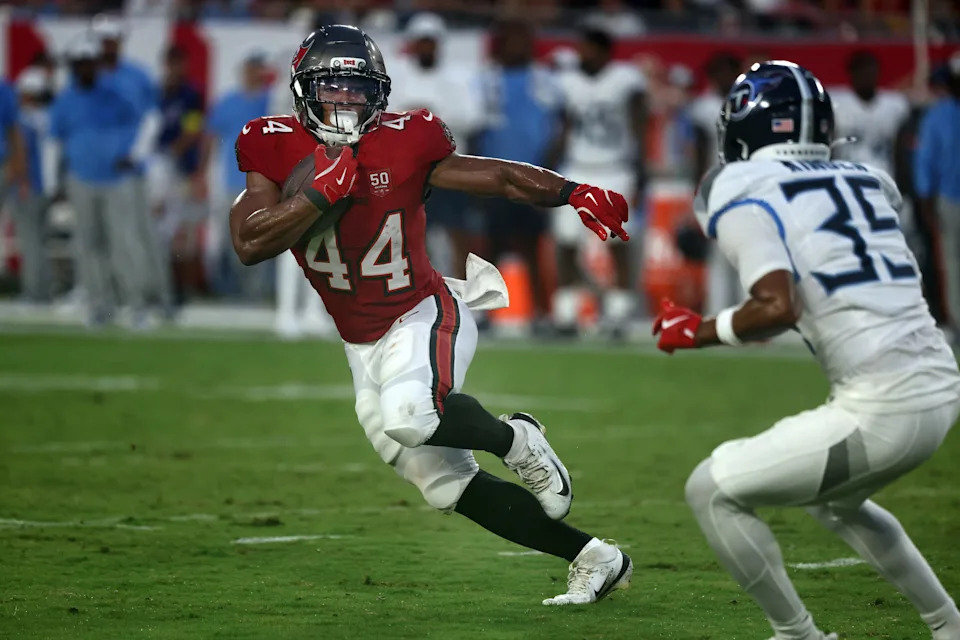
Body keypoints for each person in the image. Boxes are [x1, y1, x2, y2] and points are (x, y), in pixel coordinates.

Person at [231, 25, 632, 605]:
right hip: (361, 342)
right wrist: (318, 194)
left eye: (357, 89)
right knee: (443, 482)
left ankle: (517, 439)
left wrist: (571, 191)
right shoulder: (268, 142)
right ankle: (595, 557)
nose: (345, 101)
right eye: (332, 87)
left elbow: (496, 175)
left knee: (411, 415)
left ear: (378, 93)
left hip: (423, 311)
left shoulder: (407, 138)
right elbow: (249, 243)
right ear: (303, 90)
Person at [653, 61, 960, 640]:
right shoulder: (867, 178)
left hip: (884, 406)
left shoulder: (738, 183)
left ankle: (798, 635)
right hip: (941, 385)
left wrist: (695, 330)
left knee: (711, 490)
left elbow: (776, 307)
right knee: (836, 502)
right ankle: (948, 626)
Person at [550, 26, 646, 337]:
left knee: (617, 243)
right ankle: (567, 312)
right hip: (576, 167)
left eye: (588, 49)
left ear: (604, 51)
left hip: (615, 168)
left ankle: (619, 312)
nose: (582, 54)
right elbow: (564, 126)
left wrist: (641, 167)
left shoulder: (626, 80)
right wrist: (548, 166)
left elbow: (639, 122)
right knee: (566, 242)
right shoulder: (568, 81)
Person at [50, 36, 146, 328]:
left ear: (96, 64)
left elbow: (143, 122)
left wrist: (133, 154)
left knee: (123, 245)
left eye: (88, 63)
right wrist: (56, 182)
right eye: (79, 64)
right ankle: (99, 307)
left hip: (116, 179)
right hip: (81, 178)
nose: (84, 69)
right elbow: (56, 141)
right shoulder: (66, 99)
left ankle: (135, 305)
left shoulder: (116, 93)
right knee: (88, 245)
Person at [474, 20, 561, 330]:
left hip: (532, 176)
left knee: (533, 247)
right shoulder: (486, 80)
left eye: (523, 40)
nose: (518, 46)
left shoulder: (545, 80)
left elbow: (557, 128)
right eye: (512, 40)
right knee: (490, 248)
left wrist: (547, 175)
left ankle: (541, 313)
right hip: (495, 177)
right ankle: (482, 312)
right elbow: (475, 130)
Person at [388, 12, 483, 280]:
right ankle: (420, 289)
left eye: (430, 42)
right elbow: (385, 118)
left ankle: (464, 291)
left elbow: (473, 118)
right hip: (409, 172)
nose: (426, 48)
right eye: (421, 42)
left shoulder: (459, 78)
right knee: (412, 233)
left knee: (457, 231)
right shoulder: (397, 76)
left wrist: (428, 116)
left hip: (449, 167)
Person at [93, 14, 173, 317]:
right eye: (103, 40)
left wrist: (135, 155)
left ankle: (155, 297)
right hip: (95, 171)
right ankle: (110, 296)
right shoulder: (88, 76)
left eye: (111, 40)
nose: (107, 45)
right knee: (101, 237)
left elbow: (152, 119)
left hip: (128, 171)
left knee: (138, 236)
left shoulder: (136, 76)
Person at [202, 51, 271, 299]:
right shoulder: (228, 102)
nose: (254, 73)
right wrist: (202, 174)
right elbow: (210, 138)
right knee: (233, 238)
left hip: (265, 184)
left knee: (262, 238)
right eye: (251, 68)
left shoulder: (271, 101)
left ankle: (257, 292)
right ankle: (232, 290)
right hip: (234, 182)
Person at [688, 52, 743, 315]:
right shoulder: (704, 106)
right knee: (718, 255)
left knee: (748, 249)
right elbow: (699, 153)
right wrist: (698, 190)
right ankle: (718, 314)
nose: (724, 78)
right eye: (719, 72)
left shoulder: (753, 103)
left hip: (748, 181)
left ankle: (751, 313)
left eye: (728, 71)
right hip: (718, 183)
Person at [153, 46, 206, 306]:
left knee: (180, 229)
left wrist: (175, 151)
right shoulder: (157, 93)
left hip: (180, 168)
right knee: (159, 226)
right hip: (157, 165)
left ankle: (179, 288)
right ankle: (159, 284)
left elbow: (193, 130)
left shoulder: (190, 95)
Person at [915, 54, 960, 339]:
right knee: (952, 263)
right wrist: (926, 201)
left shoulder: (938, 114)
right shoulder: (938, 115)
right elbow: (926, 160)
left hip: (949, 198)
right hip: (949, 198)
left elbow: (925, 161)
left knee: (952, 262)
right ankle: (957, 320)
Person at [831, 50, 910, 177]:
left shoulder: (895, 106)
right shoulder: (837, 104)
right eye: (862, 72)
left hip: (883, 177)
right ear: (852, 73)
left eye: (871, 72)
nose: (867, 77)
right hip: (845, 175)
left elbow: (899, 150)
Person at [12, 69, 52, 303]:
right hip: (45, 187)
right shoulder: (48, 117)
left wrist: (23, 182)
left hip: (29, 185)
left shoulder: (24, 121)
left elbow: (22, 154)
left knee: (30, 242)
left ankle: (34, 293)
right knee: (40, 241)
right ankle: (42, 291)